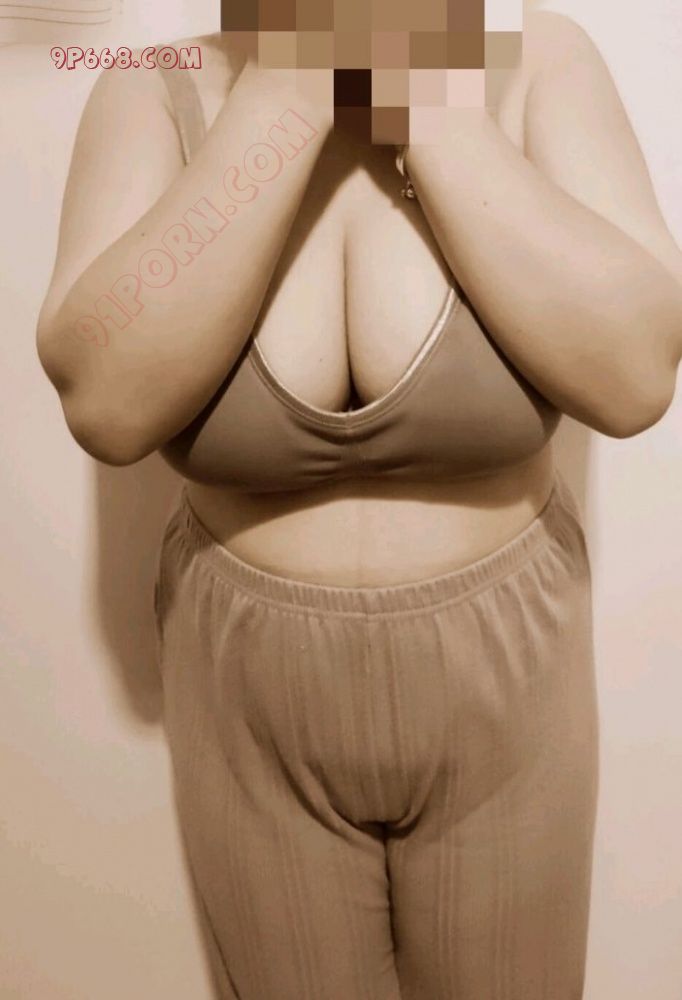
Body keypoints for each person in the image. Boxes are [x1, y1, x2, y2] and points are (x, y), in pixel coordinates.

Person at [35, 9, 682, 999]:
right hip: (246, 689)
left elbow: (636, 375)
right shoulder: (150, 85)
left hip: (508, 675)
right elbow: (105, 401)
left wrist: (416, 98)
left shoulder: (536, 57)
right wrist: (294, 89)